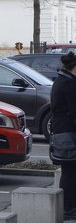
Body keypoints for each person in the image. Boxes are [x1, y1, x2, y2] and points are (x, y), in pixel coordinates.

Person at [51, 51, 76, 220]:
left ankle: (68, 208)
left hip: (62, 133)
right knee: (70, 173)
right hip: (68, 134)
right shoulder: (68, 84)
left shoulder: (62, 80)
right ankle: (68, 209)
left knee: (69, 172)